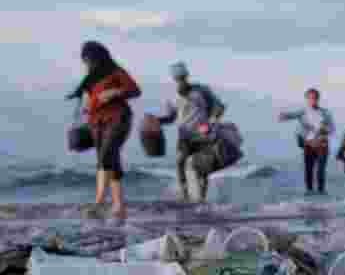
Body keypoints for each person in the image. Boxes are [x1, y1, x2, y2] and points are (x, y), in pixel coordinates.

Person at [66, 41, 141, 222]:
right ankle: (118, 207)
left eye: (89, 59)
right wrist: (87, 106)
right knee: (108, 159)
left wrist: (115, 92)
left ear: (99, 57)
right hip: (96, 122)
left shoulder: (116, 71)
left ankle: (99, 204)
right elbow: (90, 97)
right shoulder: (90, 77)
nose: (87, 63)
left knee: (107, 155)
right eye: (85, 60)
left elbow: (135, 90)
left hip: (118, 118)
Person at [156, 62, 227, 203]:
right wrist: (157, 120)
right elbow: (171, 118)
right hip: (185, 135)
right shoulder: (171, 96)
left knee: (203, 167)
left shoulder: (202, 90)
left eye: (182, 77)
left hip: (203, 134)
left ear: (187, 76)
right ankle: (185, 194)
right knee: (179, 161)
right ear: (174, 79)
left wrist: (211, 122)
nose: (181, 80)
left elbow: (219, 107)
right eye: (177, 78)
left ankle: (201, 198)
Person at [279, 88, 336, 195]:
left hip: (322, 143)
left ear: (318, 99)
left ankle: (321, 190)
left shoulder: (325, 113)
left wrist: (325, 130)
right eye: (309, 98)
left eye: (314, 98)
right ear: (306, 99)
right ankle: (309, 190)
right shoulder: (303, 112)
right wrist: (283, 116)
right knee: (308, 168)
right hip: (309, 144)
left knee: (320, 169)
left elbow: (332, 129)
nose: (312, 100)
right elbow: (291, 115)